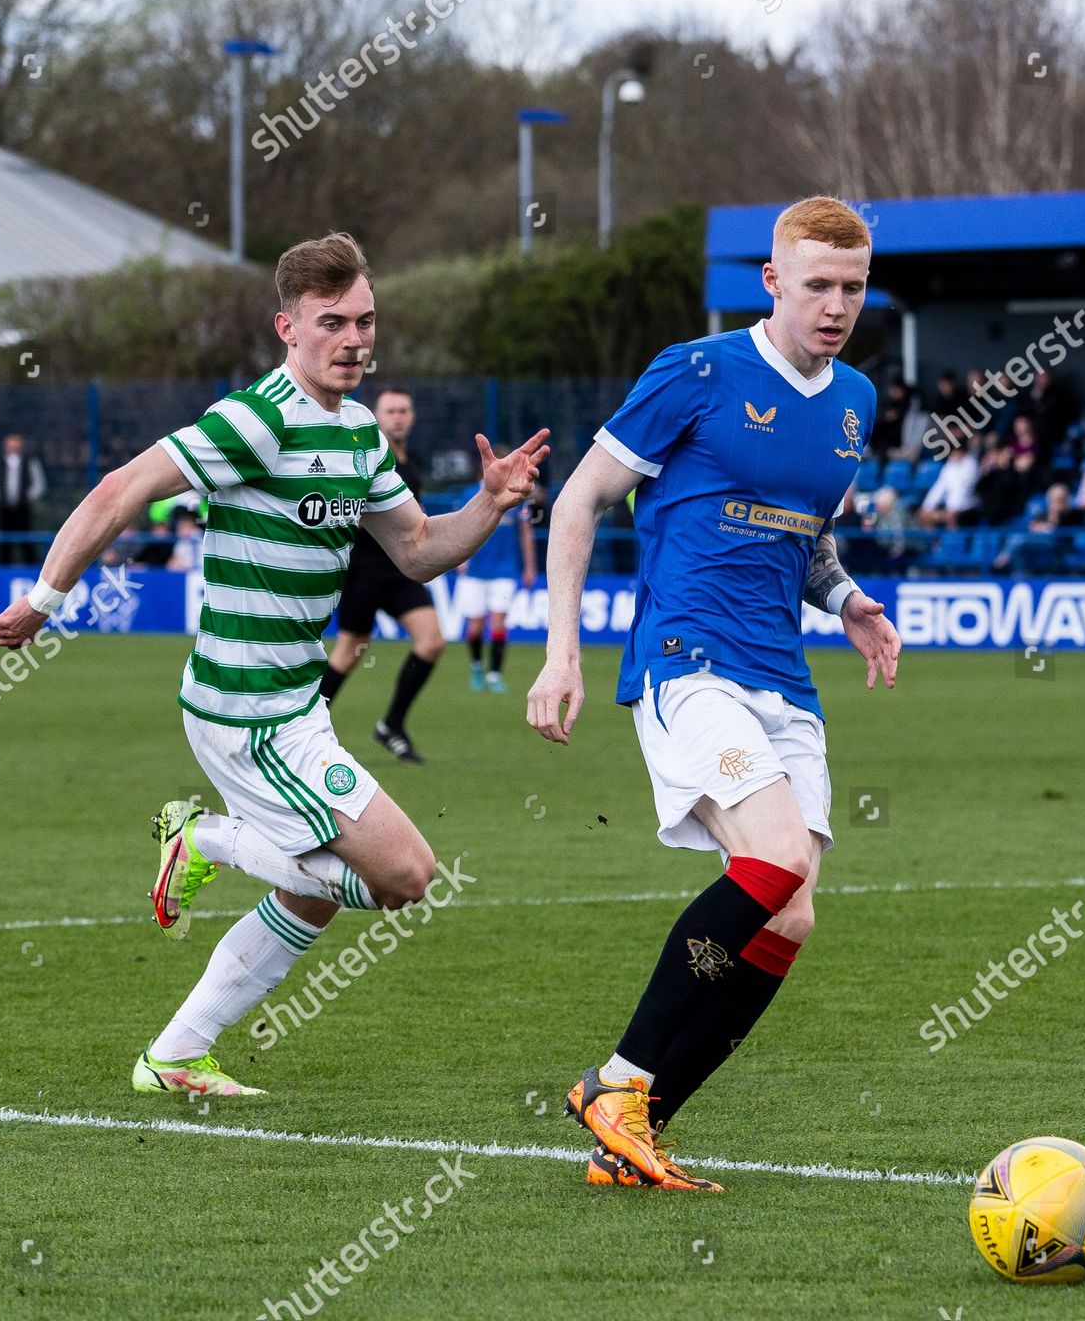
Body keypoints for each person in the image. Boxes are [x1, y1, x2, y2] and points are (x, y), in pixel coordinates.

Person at [0, 232, 549, 1096]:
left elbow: (422, 550)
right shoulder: (255, 419)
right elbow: (116, 492)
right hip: (246, 715)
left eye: (366, 321)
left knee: (317, 892)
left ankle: (174, 1054)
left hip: (294, 707)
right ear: (288, 326)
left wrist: (490, 503)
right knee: (405, 876)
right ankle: (202, 837)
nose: (356, 340)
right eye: (333, 323)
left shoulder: (359, 434)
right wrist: (43, 601)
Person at [525, 196, 899, 1193]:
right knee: (773, 861)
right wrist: (562, 651)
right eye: (815, 284)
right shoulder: (695, 371)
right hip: (687, 663)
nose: (834, 305)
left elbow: (804, 534)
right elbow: (579, 498)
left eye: (852, 288)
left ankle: (636, 1128)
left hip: (785, 675)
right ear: (771, 282)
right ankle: (618, 1079)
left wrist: (850, 597)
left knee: (789, 918)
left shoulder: (857, 399)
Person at [318, 387, 445, 763]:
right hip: (364, 571)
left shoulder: (414, 463)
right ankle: (306, 724)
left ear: (413, 416)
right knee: (351, 649)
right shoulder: (365, 458)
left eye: (404, 410)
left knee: (432, 641)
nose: (398, 417)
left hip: (401, 569)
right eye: (390, 411)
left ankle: (392, 724)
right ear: (376, 416)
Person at [454, 466, 537, 692]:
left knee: (498, 623)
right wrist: (458, 557)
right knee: (474, 628)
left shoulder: (516, 496)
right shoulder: (469, 494)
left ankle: (494, 675)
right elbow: (457, 526)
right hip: (475, 570)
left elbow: (525, 532)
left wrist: (530, 566)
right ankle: (477, 667)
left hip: (505, 569)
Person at [0, 433, 47, 565]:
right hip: (3, 508)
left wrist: (27, 498)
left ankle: (30, 568)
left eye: (16, 445)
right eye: (11, 445)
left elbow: (39, 484)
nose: (13, 448)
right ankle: (4, 568)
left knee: (26, 539)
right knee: (4, 540)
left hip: (24, 507)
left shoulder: (30, 462)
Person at [916, 440, 979, 527]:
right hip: (952, 508)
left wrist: (952, 509)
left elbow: (963, 490)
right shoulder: (949, 466)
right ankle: (934, 540)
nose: (950, 456)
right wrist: (927, 506)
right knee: (924, 515)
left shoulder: (971, 465)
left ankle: (955, 539)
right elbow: (939, 487)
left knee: (951, 517)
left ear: (961, 452)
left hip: (968, 508)